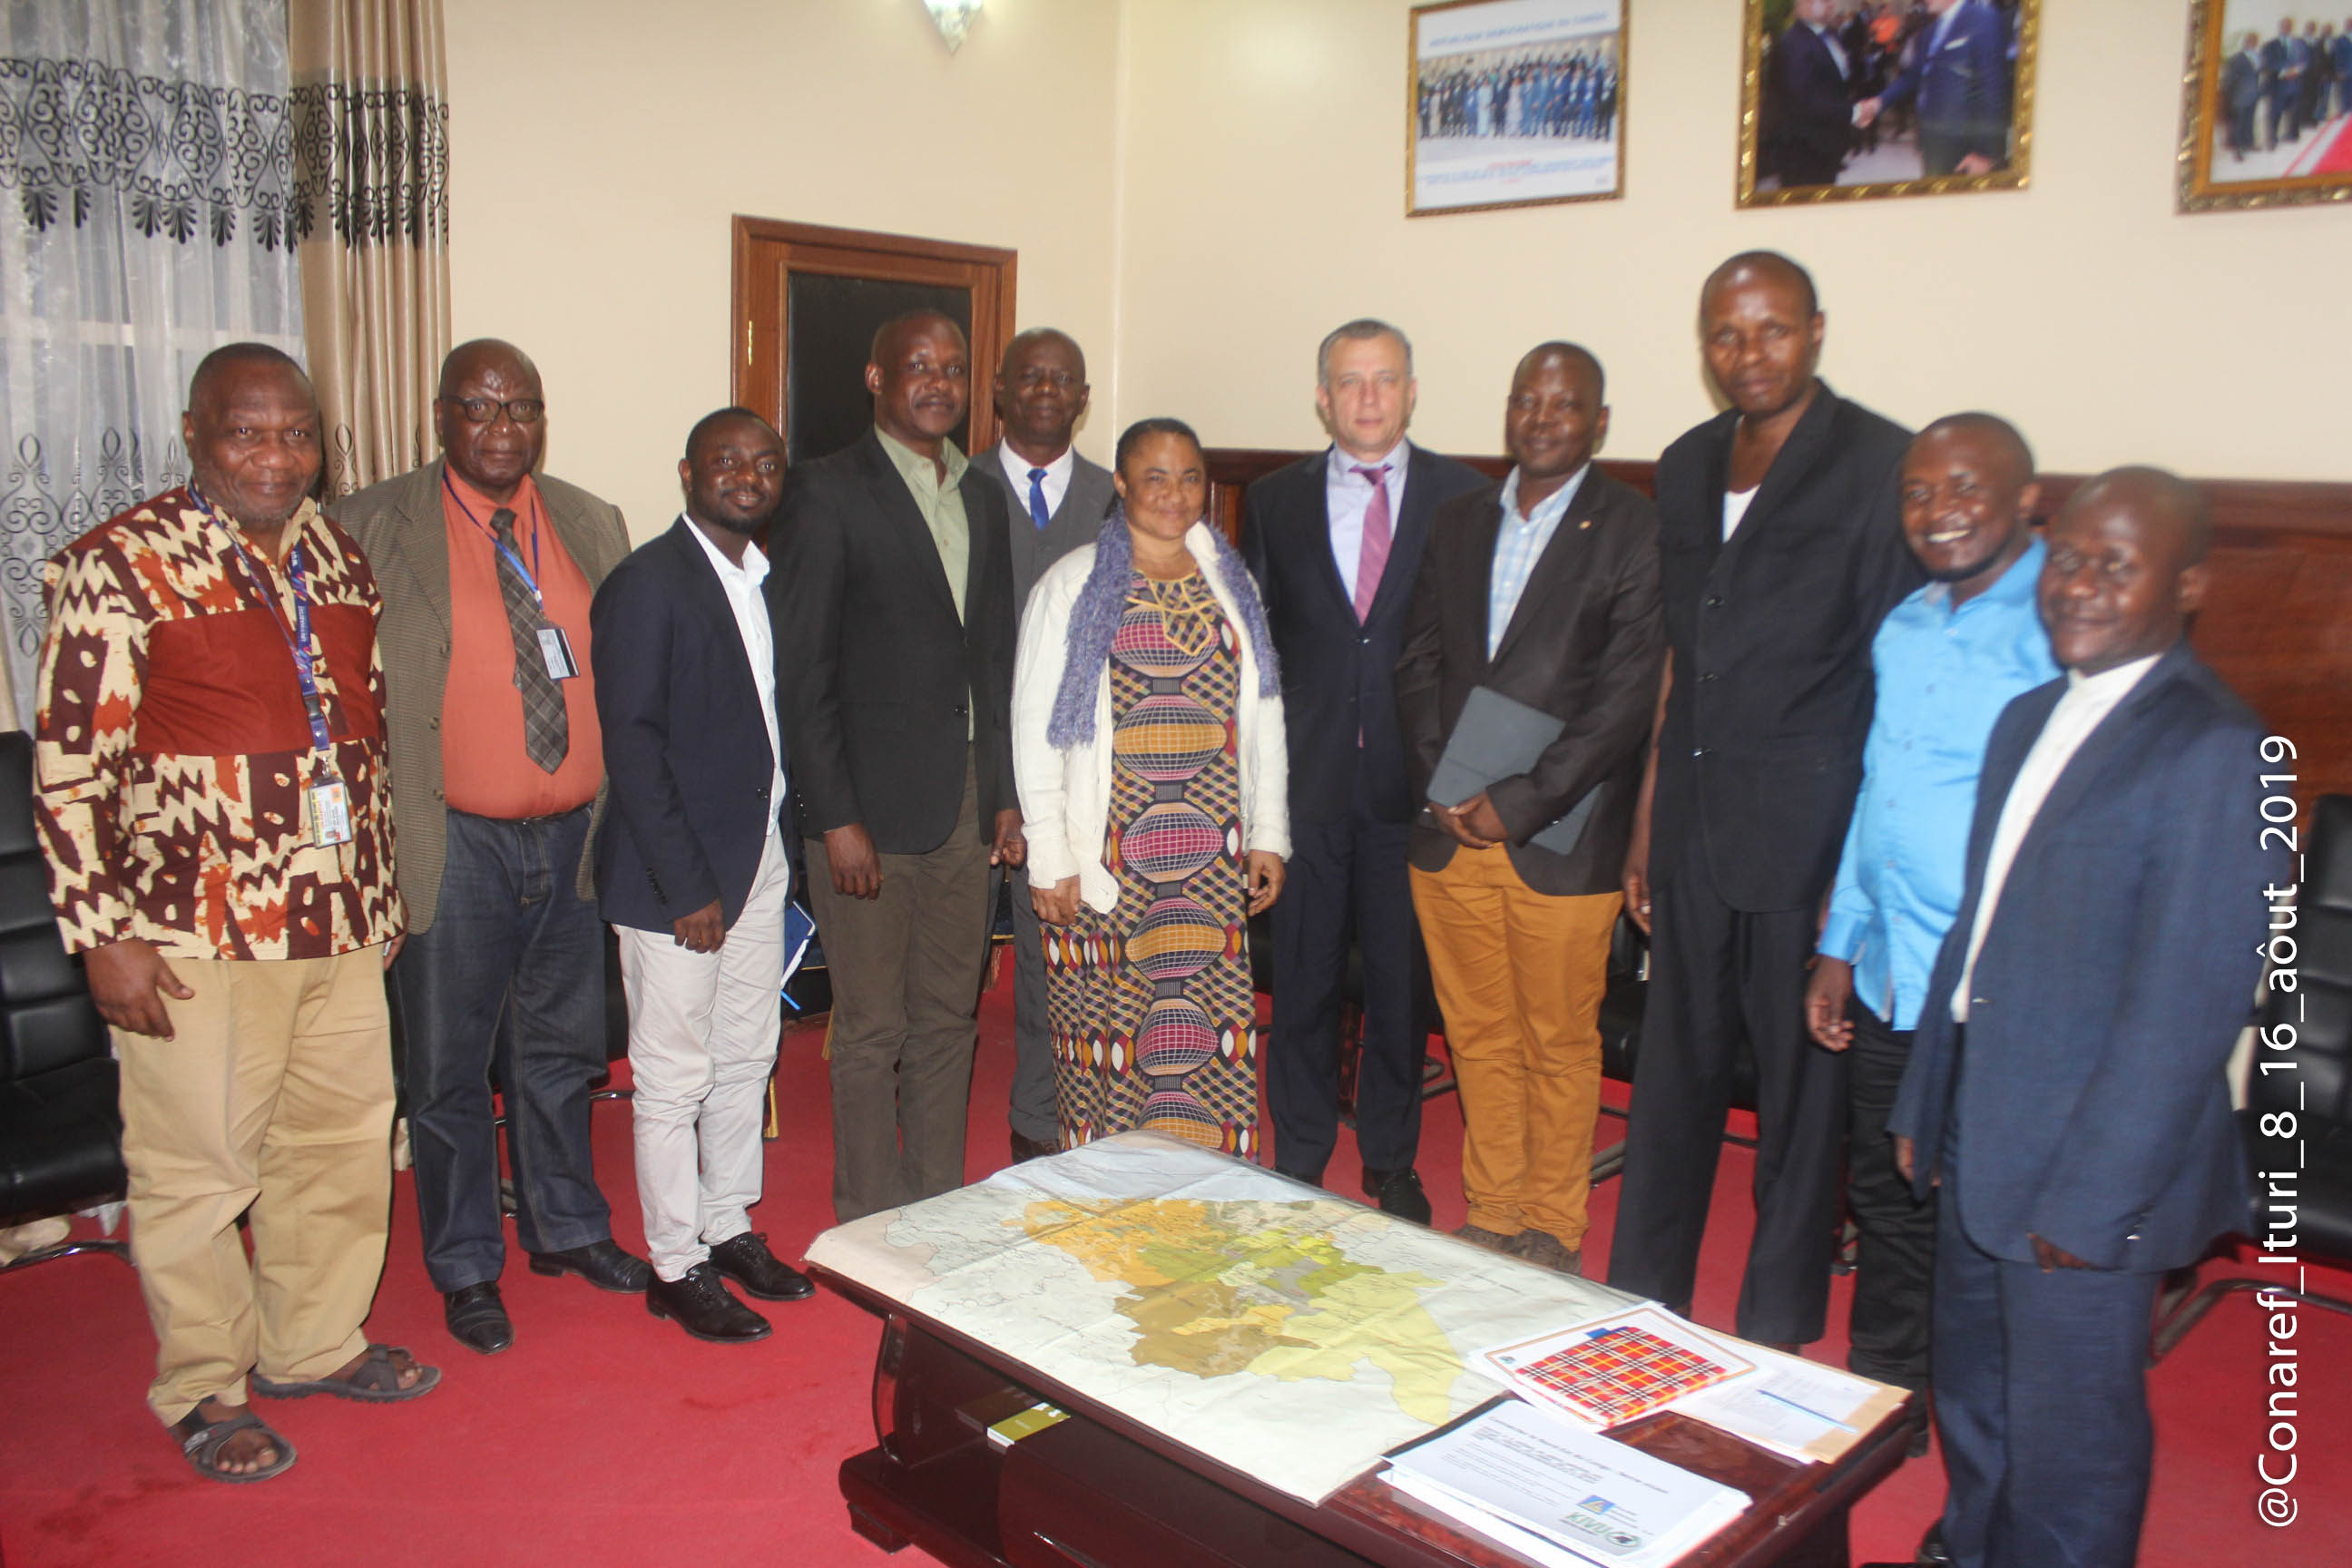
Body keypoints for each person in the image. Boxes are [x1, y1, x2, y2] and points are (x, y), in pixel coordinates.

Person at [34, 344, 436, 1483]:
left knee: (338, 1148)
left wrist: (378, 888)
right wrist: (101, 933)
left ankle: (313, 1342)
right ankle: (206, 1383)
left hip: (340, 922)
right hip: (191, 933)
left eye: (296, 433)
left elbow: (363, 741)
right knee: (198, 1169)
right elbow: (70, 772)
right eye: (246, 432)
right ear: (193, 434)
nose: (275, 455)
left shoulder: (338, 558)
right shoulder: (118, 566)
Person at [1888, 468, 2283, 1568]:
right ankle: (1973, 1548)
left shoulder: (2219, 748)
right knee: (1974, 1387)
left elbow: (2189, 1007)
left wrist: (2097, 1198)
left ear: (2188, 585)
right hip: (1982, 1120)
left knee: (2072, 1437)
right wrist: (1928, 1096)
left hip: (2091, 1165)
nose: (2079, 585)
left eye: (2117, 565)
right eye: (2067, 558)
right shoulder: (2027, 719)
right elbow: (1977, 932)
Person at [1606, 252, 1917, 1349]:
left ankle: (1776, 1320)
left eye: (1772, 329)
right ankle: (1644, 1295)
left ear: (1816, 330)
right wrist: (1646, 818)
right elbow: (1681, 660)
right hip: (1693, 826)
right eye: (1726, 334)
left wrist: (1860, 872)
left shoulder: (1880, 462)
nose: (1749, 353)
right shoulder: (1688, 461)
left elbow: (1892, 681)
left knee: (1800, 1097)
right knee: (1673, 1077)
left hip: (1811, 838)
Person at [333, 339, 647, 1358]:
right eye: (479, 406)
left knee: (561, 1052)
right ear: (441, 417)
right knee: (450, 1069)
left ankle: (567, 1227)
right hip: (452, 839)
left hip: (573, 836)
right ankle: (467, 1262)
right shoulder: (371, 524)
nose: (502, 427)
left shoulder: (591, 519)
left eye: (521, 407)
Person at [1394, 344, 1662, 1275]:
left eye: (1565, 403)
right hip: (1447, 829)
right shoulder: (1458, 518)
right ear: (1507, 410)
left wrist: (1521, 800)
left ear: (1599, 422)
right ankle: (1495, 1206)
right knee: (1476, 1031)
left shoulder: (1635, 529)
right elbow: (1418, 658)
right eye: (1527, 400)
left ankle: (1551, 1222)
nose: (1542, 417)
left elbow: (1626, 699)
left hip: (1561, 839)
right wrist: (1442, 783)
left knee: (1556, 1039)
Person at [1802, 415, 2056, 1400]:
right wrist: (1841, 941)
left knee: (1982, 1208)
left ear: (2026, 498)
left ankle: (1979, 1400)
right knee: (1885, 1190)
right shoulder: (1905, 625)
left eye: (1965, 487)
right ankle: (1887, 1388)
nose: (1938, 510)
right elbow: (1882, 791)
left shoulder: (2066, 623)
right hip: (1890, 970)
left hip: (1996, 988)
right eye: (1917, 492)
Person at [769, 309, 1023, 1223]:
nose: (938, 383)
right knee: (873, 1027)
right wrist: (831, 815)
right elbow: (803, 671)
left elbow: (992, 657)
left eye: (953, 368)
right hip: (864, 813)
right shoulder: (823, 491)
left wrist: (1004, 798)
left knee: (948, 1019)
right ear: (877, 378)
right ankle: (872, 1219)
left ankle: (936, 1208)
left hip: (965, 802)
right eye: (919, 366)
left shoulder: (982, 494)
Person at [1241, 319, 1484, 1223]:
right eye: (1350, 381)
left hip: (1415, 789)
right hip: (1305, 788)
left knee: (1400, 986)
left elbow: (1476, 652)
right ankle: (1299, 1152)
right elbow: (1257, 651)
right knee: (1301, 979)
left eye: (1386, 380)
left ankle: (1390, 1157)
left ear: (1412, 392)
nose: (1369, 397)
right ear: (1323, 397)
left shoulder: (1466, 497)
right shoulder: (1275, 501)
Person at [591, 408, 815, 1345]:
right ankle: (675, 1263)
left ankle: (728, 1225)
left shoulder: (761, 578)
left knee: (748, 1054)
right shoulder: (648, 583)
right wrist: (686, 886)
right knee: (675, 1075)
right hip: (677, 881)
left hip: (757, 859)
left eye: (765, 463)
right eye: (726, 461)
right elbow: (633, 747)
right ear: (688, 473)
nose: (747, 476)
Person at [1012, 418, 1288, 1152]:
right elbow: (1035, 728)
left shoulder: (1232, 582)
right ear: (1122, 484)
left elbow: (1264, 715)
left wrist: (1268, 831)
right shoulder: (1071, 584)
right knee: (1108, 1048)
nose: (1174, 493)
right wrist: (1049, 854)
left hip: (1209, 865)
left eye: (1190, 477)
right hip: (1109, 864)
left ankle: (1201, 1196)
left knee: (1204, 1044)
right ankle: (1106, 1199)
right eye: (1155, 477)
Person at [966, 328, 1116, 1162]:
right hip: (962, 766)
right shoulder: (956, 488)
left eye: (1064, 379)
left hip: (1068, 772)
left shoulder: (1115, 497)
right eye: (1030, 377)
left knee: (1050, 959)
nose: (1047, 390)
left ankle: (1040, 1125)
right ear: (1000, 390)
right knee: (946, 979)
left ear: (1083, 398)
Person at [1856, 0, 2013, 177]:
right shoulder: (1929, 32)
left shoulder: (1984, 18)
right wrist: (1878, 103)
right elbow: (1912, 76)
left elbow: (1993, 88)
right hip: (1933, 145)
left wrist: (1986, 153)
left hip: (1966, 149)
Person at [1766, 0, 1857, 188]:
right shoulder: (1794, 43)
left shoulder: (1829, 35)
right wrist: (1852, 112)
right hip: (1804, 150)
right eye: (1824, 0)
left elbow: (1835, 83)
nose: (1832, 4)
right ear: (1803, 3)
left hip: (1827, 145)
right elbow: (1802, 101)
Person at [2222, 32, 2266, 162]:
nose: (2252, 43)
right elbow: (2229, 80)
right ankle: (2238, 149)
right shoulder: (2236, 59)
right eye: (2250, 40)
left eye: (2254, 41)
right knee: (2238, 124)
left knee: (2249, 120)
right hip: (2239, 96)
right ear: (2245, 42)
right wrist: (2230, 97)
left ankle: (2249, 143)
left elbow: (2259, 74)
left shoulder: (2258, 57)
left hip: (2253, 95)